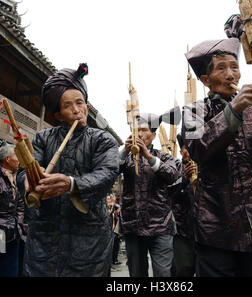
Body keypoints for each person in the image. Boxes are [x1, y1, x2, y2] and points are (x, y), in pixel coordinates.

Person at [181, 17, 252, 277]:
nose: (231, 74)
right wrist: (235, 108)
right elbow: (199, 149)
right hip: (215, 227)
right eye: (221, 68)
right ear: (205, 79)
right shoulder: (193, 111)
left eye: (234, 67)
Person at [17, 63, 119, 277]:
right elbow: (23, 170)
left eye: (80, 103)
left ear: (87, 107)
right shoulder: (43, 138)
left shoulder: (102, 139)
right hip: (45, 237)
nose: (76, 110)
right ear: (59, 115)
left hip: (88, 238)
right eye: (67, 106)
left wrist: (72, 184)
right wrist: (29, 177)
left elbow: (108, 173)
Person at [119, 108, 181, 277]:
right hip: (133, 225)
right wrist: (124, 151)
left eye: (144, 130)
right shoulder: (126, 158)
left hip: (160, 226)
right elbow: (109, 168)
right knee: (136, 273)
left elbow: (172, 175)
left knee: (163, 273)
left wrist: (147, 155)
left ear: (153, 136)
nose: (140, 133)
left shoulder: (165, 158)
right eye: (137, 130)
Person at [170, 133, 196, 277]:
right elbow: (167, 194)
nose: (191, 150)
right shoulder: (174, 167)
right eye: (187, 147)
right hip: (182, 231)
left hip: (206, 231)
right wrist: (184, 179)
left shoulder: (208, 167)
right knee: (182, 271)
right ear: (181, 151)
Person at [0, 140, 26, 277]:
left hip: (14, 232)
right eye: (16, 156)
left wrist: (18, 224)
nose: (19, 160)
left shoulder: (16, 178)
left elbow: (20, 204)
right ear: (7, 159)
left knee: (11, 269)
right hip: (1, 233)